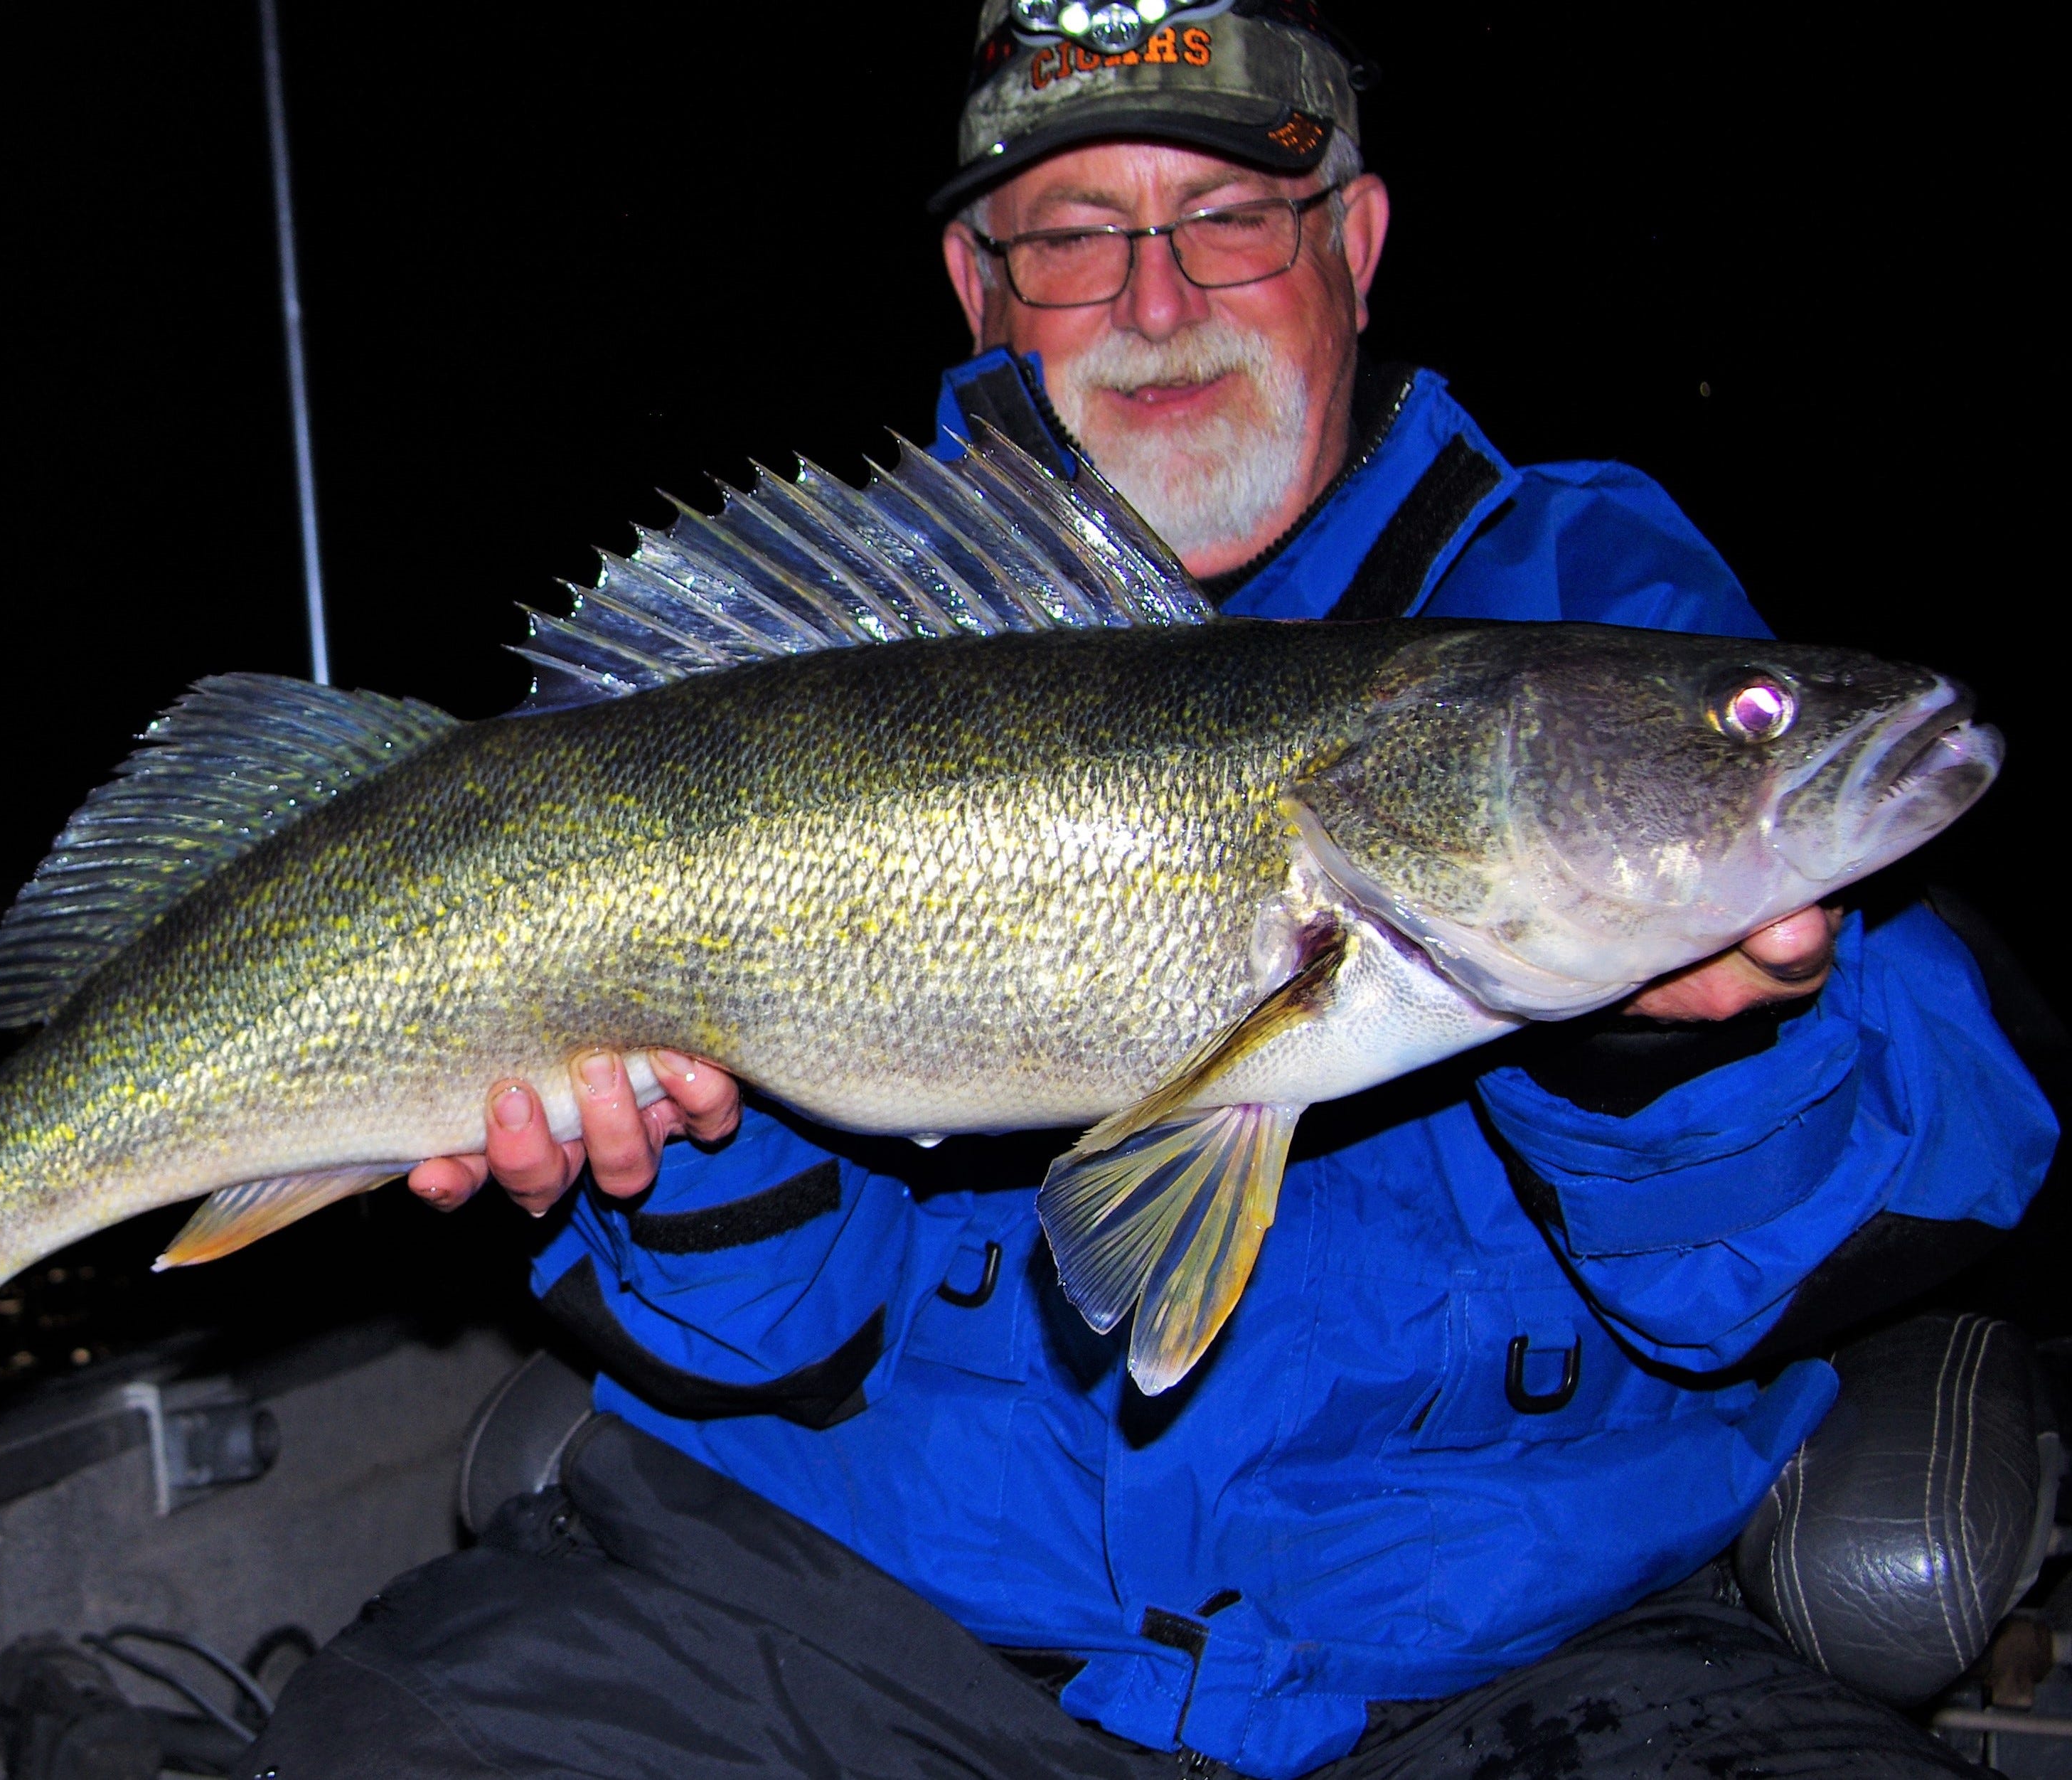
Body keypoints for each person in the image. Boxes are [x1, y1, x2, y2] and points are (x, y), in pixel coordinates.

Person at [251, 4, 2057, 1775]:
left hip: (1484, 1667)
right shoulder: (837, 641)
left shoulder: (1583, 589)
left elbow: (1828, 1240)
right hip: (858, 1620)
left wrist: (1665, 1061)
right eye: (1075, 239)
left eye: (1229, 219)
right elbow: (757, 1340)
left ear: (1351, 241)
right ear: (980, 288)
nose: (1159, 299)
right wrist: (689, 1151)